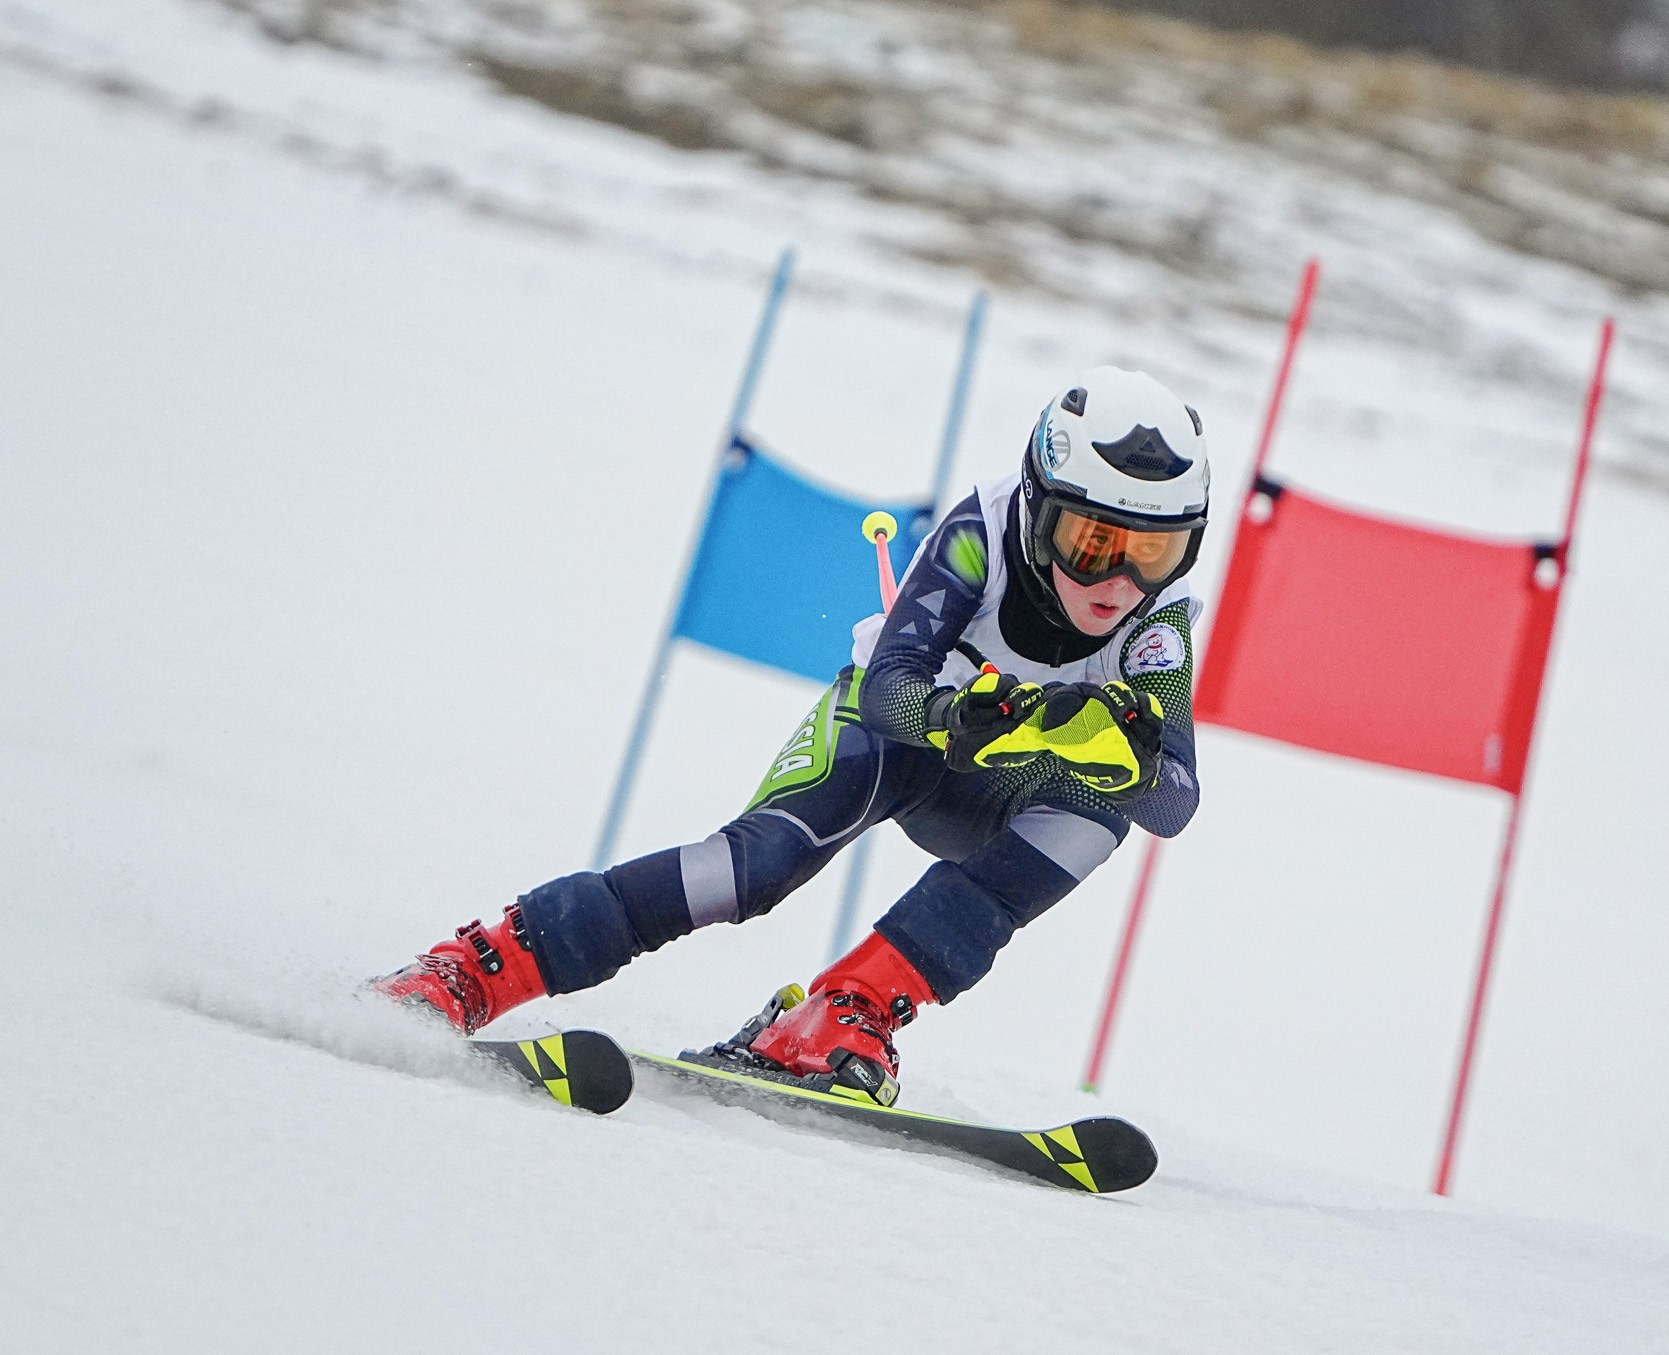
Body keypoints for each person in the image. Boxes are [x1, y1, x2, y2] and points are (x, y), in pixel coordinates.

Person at [378, 366, 1209, 1104]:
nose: (1119, 581)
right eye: (1093, 542)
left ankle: (844, 1008)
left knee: (1094, 816)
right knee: (749, 870)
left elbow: (1173, 804)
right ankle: (478, 966)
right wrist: (950, 716)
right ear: (1036, 509)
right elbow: (889, 691)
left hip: (998, 793)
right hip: (895, 737)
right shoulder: (977, 534)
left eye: (1155, 551)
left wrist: (1129, 755)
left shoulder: (1158, 625)